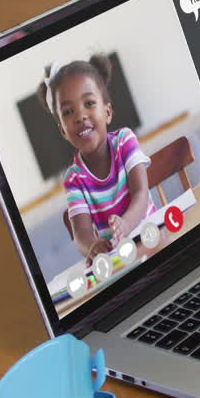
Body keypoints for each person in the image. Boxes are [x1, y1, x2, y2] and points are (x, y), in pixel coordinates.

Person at [37, 54, 154, 263]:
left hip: (153, 238)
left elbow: (141, 193)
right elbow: (81, 232)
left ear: (107, 111)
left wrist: (126, 224)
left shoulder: (124, 141)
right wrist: (91, 245)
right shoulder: (74, 178)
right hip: (121, 260)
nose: (80, 116)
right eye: (69, 111)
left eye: (89, 103)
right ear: (62, 130)